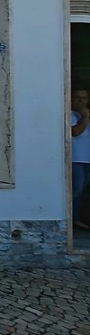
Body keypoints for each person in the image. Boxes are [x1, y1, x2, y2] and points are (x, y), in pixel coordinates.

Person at [71, 86, 90, 230]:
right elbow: (75, 132)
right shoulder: (70, 114)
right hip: (75, 158)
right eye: (78, 97)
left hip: (87, 158)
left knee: (81, 190)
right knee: (75, 189)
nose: (81, 101)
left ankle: (76, 218)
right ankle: (70, 219)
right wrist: (85, 118)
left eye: (84, 98)